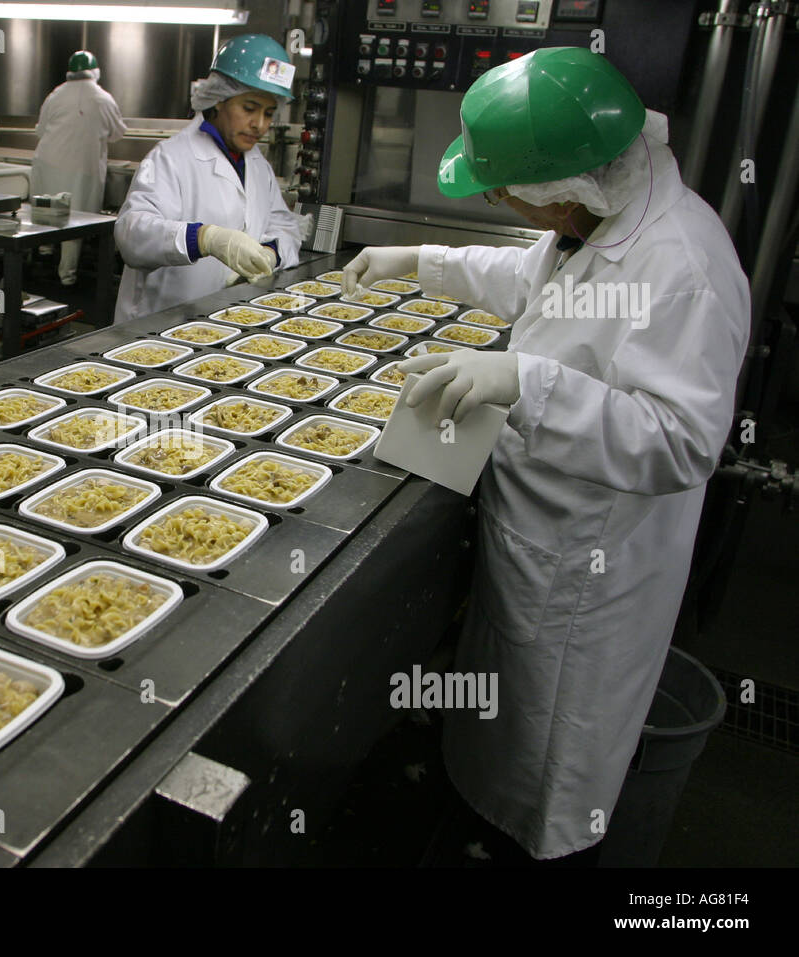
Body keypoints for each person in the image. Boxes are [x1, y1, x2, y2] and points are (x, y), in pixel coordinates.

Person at [344, 47, 748, 861]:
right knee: (499, 737)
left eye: (504, 194)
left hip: (586, 575)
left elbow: (681, 442)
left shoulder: (683, 267)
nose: (499, 206)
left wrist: (526, 383)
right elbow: (531, 276)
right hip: (535, 533)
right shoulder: (598, 219)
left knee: (546, 777)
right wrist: (420, 262)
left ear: (563, 197)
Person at [113, 33, 303, 323]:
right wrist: (204, 238)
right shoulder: (171, 157)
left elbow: (283, 224)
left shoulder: (256, 165)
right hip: (157, 327)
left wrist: (270, 253)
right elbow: (132, 234)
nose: (260, 125)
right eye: (249, 108)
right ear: (218, 101)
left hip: (226, 326)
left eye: (269, 113)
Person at [31, 51, 127, 286]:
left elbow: (40, 130)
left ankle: (42, 261)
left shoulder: (55, 95)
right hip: (82, 168)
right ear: (95, 72)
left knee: (44, 215)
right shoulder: (103, 98)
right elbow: (118, 133)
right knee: (74, 221)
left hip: (48, 163)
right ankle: (67, 277)